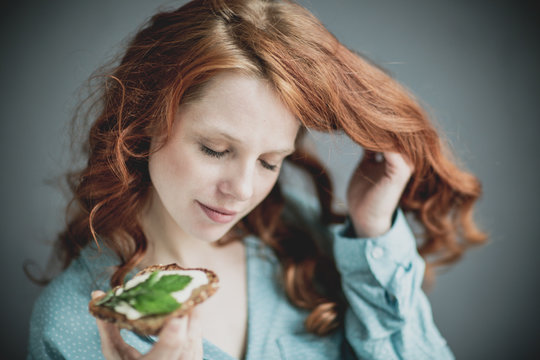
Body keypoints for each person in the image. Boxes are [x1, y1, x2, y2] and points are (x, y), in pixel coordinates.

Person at [28, 0, 486, 359]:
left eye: (270, 162)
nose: (243, 189)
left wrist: (373, 231)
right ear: (144, 121)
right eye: (215, 149)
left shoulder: (302, 241)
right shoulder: (67, 326)